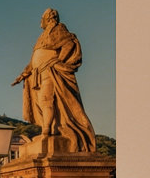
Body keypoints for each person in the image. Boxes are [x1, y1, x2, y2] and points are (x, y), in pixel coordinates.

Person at [13, 8, 97, 152]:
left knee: (47, 100)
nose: (40, 21)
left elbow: (69, 43)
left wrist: (58, 61)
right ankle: (50, 128)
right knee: (41, 102)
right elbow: (34, 60)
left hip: (50, 71)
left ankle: (47, 131)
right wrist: (24, 73)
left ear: (50, 18)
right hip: (38, 73)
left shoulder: (58, 29)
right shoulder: (42, 36)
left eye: (42, 18)